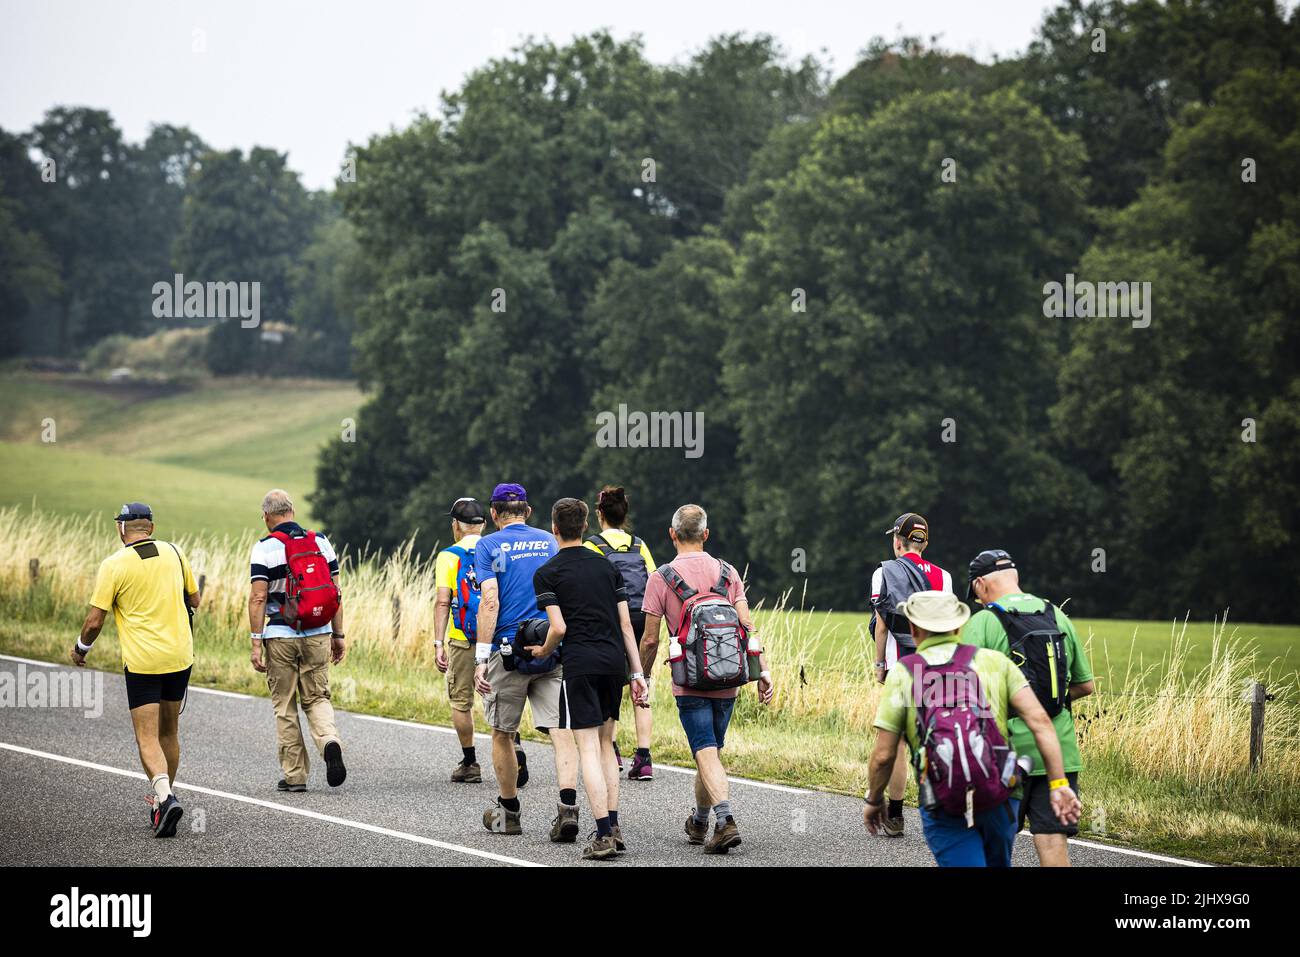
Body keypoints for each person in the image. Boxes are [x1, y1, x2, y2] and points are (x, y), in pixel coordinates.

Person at [864, 590, 1082, 867]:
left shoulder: (904, 673)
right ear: (958, 626)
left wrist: (874, 799)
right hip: (1000, 793)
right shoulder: (994, 662)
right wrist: (1059, 783)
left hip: (943, 796)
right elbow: (1040, 722)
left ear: (913, 627)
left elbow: (884, 754)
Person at [640, 504, 774, 854]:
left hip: (690, 682)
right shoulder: (728, 573)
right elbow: (747, 627)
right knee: (709, 750)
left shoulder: (662, 577)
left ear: (672, 535)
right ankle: (699, 822)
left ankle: (725, 821)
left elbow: (651, 639)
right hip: (729, 677)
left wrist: (641, 677)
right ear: (706, 535)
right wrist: (762, 672)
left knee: (704, 750)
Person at [72, 502, 201, 837]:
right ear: (151, 529)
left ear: (121, 529)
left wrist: (81, 648)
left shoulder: (114, 565)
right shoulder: (175, 552)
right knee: (169, 732)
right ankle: (162, 803)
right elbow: (195, 600)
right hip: (179, 656)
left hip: (144, 662)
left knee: (146, 736)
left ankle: (165, 797)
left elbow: (94, 621)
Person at [532, 498, 649, 860]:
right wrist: (638, 672)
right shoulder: (607, 567)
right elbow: (627, 624)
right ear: (585, 527)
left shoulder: (548, 573)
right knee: (605, 746)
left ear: (555, 528)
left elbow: (559, 627)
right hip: (614, 662)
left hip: (580, 664)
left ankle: (601, 835)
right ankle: (613, 825)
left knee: (587, 749)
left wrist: (542, 651)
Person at [963, 549, 1095, 867]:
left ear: (980, 584)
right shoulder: (1056, 614)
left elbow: (965, 691)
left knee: (991, 850)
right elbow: (1085, 684)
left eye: (975, 593)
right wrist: (1044, 706)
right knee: (1052, 845)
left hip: (1002, 755)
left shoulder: (983, 621)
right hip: (1057, 752)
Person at [472, 483, 580, 840]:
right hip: (551, 645)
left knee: (503, 732)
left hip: (508, 650)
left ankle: (510, 812)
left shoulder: (487, 545)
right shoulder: (550, 542)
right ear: (528, 512)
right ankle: (567, 808)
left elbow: (490, 602)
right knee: (561, 731)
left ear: (493, 514)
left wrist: (480, 658)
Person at [247, 489, 347, 792]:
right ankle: (329, 742)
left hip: (280, 636)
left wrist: (255, 641)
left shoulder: (264, 548)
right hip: (318, 633)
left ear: (267, 516)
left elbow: (258, 597)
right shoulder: (320, 541)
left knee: (285, 705)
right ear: (291, 511)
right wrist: (338, 635)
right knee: (317, 698)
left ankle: (295, 776)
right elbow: (336, 593)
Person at [868, 511, 953, 837]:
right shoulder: (944, 577)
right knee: (936, 734)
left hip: (901, 666)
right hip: (938, 666)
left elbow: (883, 625)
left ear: (896, 540)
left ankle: (895, 814)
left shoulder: (884, 572)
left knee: (898, 741)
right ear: (925, 542)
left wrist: (879, 666)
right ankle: (945, 804)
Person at [584, 485, 657, 780]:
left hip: (612, 620)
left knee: (611, 686)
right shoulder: (639, 545)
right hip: (642, 619)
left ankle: (611, 750)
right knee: (643, 682)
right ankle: (643, 757)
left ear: (600, 514)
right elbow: (652, 582)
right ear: (625, 513)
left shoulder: (592, 546)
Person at [434, 497, 487, 783]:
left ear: (456, 525)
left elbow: (443, 602)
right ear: (483, 525)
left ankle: (470, 763)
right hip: (497, 635)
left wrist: (438, 643)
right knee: (502, 697)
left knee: (460, 701)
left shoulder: (449, 556)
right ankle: (514, 751)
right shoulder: (496, 550)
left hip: (462, 637)